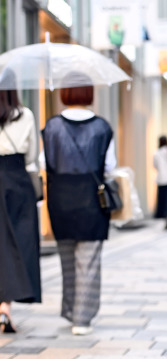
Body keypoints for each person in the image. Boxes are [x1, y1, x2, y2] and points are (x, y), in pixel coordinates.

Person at [41, 74, 116, 335]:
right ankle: (82, 320)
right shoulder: (102, 128)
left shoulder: (51, 127)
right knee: (89, 260)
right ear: (89, 93)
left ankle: (70, 310)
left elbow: (44, 163)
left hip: (60, 201)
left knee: (67, 259)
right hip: (91, 201)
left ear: (64, 93)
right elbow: (110, 167)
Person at [0, 72, 41, 332]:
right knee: (17, 242)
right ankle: (5, 307)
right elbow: (32, 156)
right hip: (17, 180)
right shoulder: (25, 115)